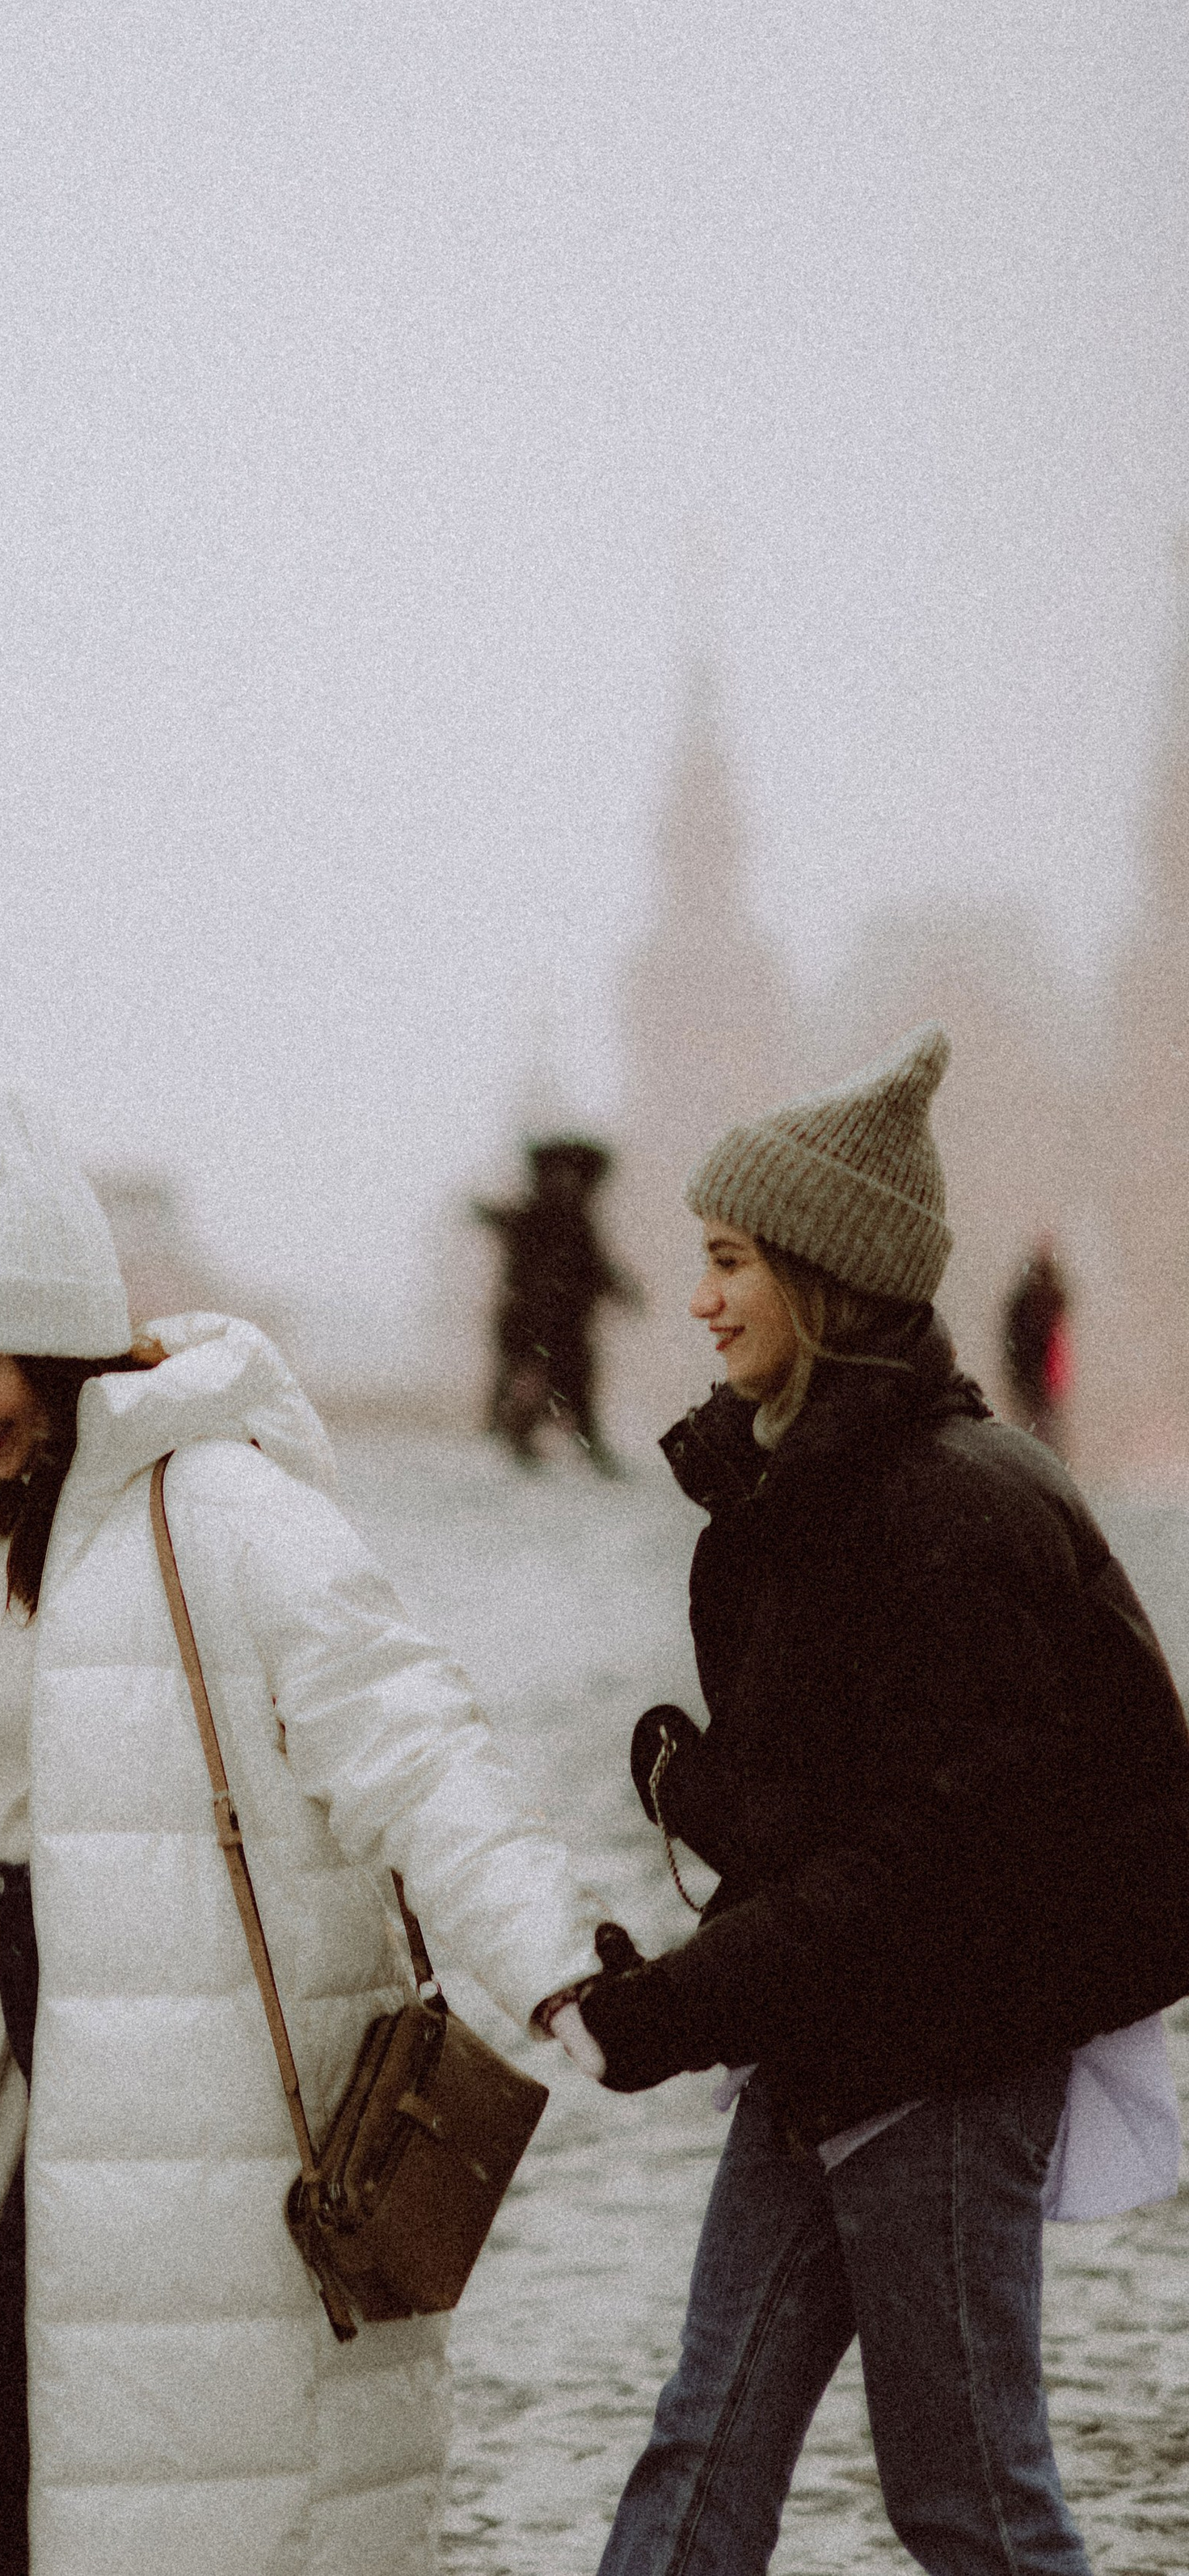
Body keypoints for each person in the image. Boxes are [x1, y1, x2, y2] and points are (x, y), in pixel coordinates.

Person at [0, 1094, 608, 2576]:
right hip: (15, 2034)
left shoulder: (225, 1509)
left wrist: (556, 1962)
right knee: (7, 2460)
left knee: (160, 2460)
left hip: (194, 2060)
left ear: (58, 1344)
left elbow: (407, 1731)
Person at [545, 1026, 1189, 2576]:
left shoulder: (954, 1512)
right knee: (700, 2461)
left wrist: (683, 2004)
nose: (695, 1297)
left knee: (970, 2504)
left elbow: (930, 1863)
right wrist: (699, 1789)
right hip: (830, 2039)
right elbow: (843, 1812)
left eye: (727, 1261)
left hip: (946, 2063)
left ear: (825, 1280)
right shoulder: (817, 1493)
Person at [474, 1136, 639, 1472]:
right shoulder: (532, 1217)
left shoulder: (579, 1226)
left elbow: (597, 1267)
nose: (567, 1183)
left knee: (576, 1385)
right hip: (529, 1323)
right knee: (528, 1381)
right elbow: (504, 1220)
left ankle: (586, 1445)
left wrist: (621, 1289)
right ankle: (519, 1437)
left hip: (567, 1327)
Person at [1004, 1237, 1072, 1453]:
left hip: (1035, 1375)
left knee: (1036, 1428)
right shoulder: (1034, 1299)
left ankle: (1040, 1464)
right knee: (1043, 1428)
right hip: (1038, 1375)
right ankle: (1050, 1468)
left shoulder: (1027, 1298)